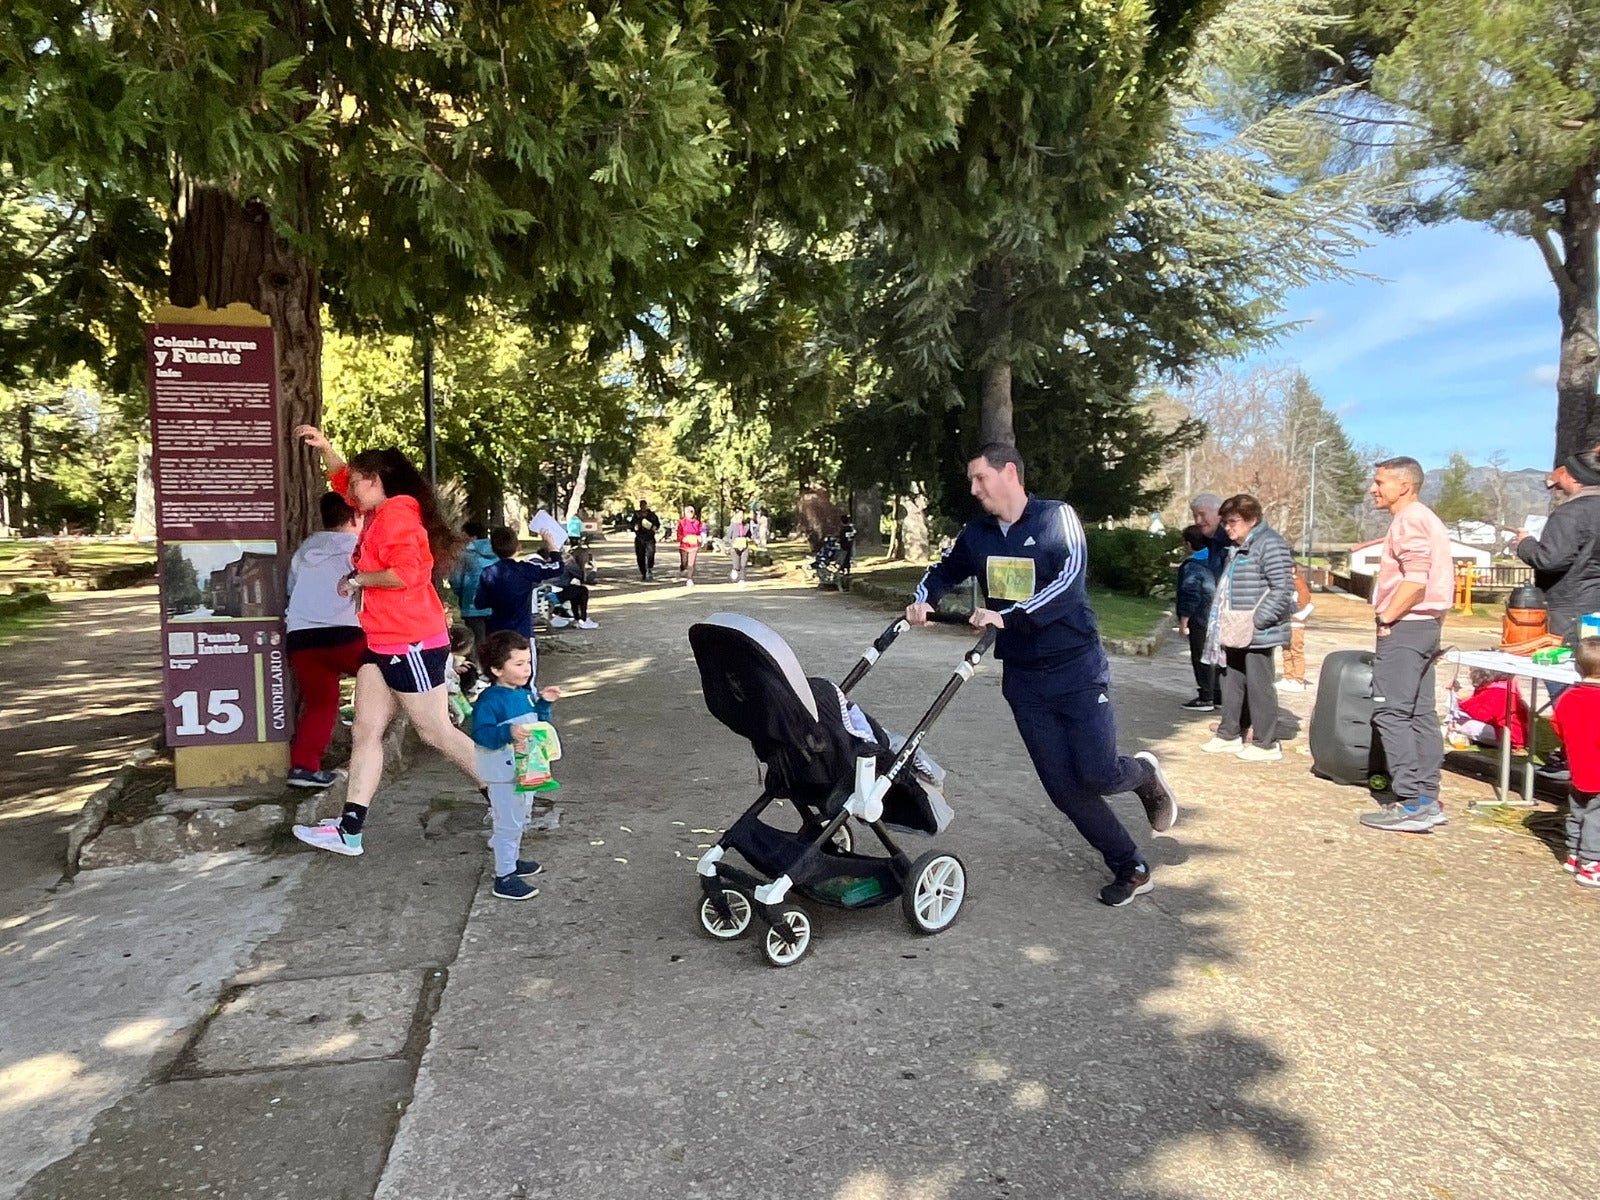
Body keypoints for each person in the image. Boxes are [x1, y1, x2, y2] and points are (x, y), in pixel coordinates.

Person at [906, 443, 1179, 908]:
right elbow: (942, 570)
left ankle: (1145, 775)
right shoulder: (978, 535)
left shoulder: (1056, 519)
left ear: (1009, 472)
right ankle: (1129, 865)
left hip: (1077, 668)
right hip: (1025, 680)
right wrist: (922, 599)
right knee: (1064, 789)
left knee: (1096, 771)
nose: (973, 490)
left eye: (980, 479)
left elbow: (1069, 582)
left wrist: (1007, 617)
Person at [289, 426, 486, 857]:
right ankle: (349, 830)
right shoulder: (381, 508)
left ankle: (505, 796)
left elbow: (406, 574)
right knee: (365, 730)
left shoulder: (397, 514)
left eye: (358, 482)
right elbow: (343, 479)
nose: (349, 493)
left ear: (376, 480)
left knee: (435, 731)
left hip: (410, 642)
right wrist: (326, 450)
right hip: (382, 642)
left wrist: (357, 578)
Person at [1359, 456, 1454, 833]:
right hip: (1426, 627)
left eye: (1379, 482)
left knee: (1391, 712)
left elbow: (1416, 580)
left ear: (1404, 486)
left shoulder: (1411, 519)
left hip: (1407, 627)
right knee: (1419, 713)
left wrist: (1387, 617)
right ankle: (1428, 798)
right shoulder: (1427, 518)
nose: (1373, 488)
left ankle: (1413, 801)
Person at [1513, 451, 1600, 781]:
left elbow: (1550, 560)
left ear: (1575, 478)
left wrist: (1525, 544)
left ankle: (1573, 756)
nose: (1556, 477)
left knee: (1565, 679)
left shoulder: (1571, 513)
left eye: (1562, 473)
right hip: (1595, 603)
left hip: (1568, 607)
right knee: (1594, 677)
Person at [1199, 494, 1296, 762]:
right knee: (1231, 681)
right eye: (1226, 523)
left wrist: (1259, 621)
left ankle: (1267, 743)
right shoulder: (1240, 546)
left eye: (1233, 522)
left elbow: (1283, 588)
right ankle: (1229, 734)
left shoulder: (1271, 544)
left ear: (1252, 520)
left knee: (1259, 685)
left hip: (1257, 631)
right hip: (1235, 628)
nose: (1228, 528)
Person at [470, 630, 562, 901]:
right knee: (508, 822)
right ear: (497, 669)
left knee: (521, 817)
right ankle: (504, 875)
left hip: (527, 769)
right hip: (503, 773)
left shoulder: (522, 693)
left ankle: (511, 857)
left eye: (528, 663)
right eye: (519, 664)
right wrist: (507, 733)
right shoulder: (490, 701)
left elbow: (536, 723)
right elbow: (481, 734)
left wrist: (544, 703)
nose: (526, 669)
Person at [284, 491, 367, 788]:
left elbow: (292, 589)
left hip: (302, 639)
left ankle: (304, 767)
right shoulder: (360, 547)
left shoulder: (306, 549)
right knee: (387, 672)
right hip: (345, 633)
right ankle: (370, 738)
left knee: (321, 703)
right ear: (355, 516)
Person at [1551, 636, 1600, 888]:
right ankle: (1592, 863)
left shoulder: (1568, 698)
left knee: (1578, 810)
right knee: (1596, 816)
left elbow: (1557, 725)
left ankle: (1573, 854)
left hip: (1577, 764)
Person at [475, 526, 567, 638]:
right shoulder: (526, 569)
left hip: (496, 630)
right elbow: (558, 568)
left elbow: (479, 603)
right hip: (522, 631)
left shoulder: (488, 573)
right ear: (518, 547)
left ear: (493, 549)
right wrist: (551, 545)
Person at [1174, 525, 1218, 712]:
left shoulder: (1193, 566)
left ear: (1189, 544)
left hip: (1200, 617)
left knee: (1200, 656)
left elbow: (1191, 593)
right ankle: (1217, 693)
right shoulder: (1216, 560)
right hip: (1216, 616)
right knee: (1216, 656)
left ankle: (1206, 696)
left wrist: (1184, 621)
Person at [1446, 667, 1530, 751]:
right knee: (1461, 719)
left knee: (1470, 726)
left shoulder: (1497, 692)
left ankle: (1458, 731)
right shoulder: (1505, 686)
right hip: (1512, 733)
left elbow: (1481, 715)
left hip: (1510, 736)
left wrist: (1463, 701)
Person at [447, 521, 496, 653]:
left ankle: (479, 671)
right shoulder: (498, 551)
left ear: (471, 537)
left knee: (477, 645)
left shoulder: (464, 555)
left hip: (472, 605)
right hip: (497, 605)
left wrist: (462, 596)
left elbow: (456, 579)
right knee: (496, 642)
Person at [1277, 565, 1315, 692]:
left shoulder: (1298, 583)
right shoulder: (1286, 582)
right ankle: (1288, 676)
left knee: (1296, 651)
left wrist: (1294, 611)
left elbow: (1304, 600)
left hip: (1296, 622)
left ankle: (1299, 679)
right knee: (1286, 651)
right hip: (1286, 621)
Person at [1189, 492, 1231, 580]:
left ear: (1219, 514)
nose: (1198, 521)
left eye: (1202, 515)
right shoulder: (1211, 542)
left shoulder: (1230, 540)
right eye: (1195, 516)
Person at [630, 500, 661, 580]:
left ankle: (650, 568)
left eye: (644, 505)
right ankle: (643, 572)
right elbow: (631, 525)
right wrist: (634, 527)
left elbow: (657, 524)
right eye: (642, 505)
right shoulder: (636, 515)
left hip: (650, 538)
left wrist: (655, 527)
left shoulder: (652, 515)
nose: (643, 507)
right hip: (640, 538)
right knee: (640, 556)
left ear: (646, 506)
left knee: (651, 554)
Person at [677, 505, 704, 586]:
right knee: (684, 562)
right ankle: (682, 568)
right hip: (684, 546)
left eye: (691, 512)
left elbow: (700, 532)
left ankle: (689, 578)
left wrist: (700, 538)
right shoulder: (682, 522)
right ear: (685, 513)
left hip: (694, 545)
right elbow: (679, 533)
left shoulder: (697, 523)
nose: (690, 514)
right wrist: (682, 538)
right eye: (688, 512)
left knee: (691, 563)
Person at [727, 511, 753, 587]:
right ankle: (734, 570)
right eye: (739, 517)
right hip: (735, 547)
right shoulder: (733, 525)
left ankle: (742, 580)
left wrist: (749, 539)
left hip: (744, 546)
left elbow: (749, 536)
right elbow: (729, 536)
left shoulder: (747, 526)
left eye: (741, 517)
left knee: (743, 565)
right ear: (736, 517)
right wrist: (732, 543)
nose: (740, 519)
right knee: (737, 565)